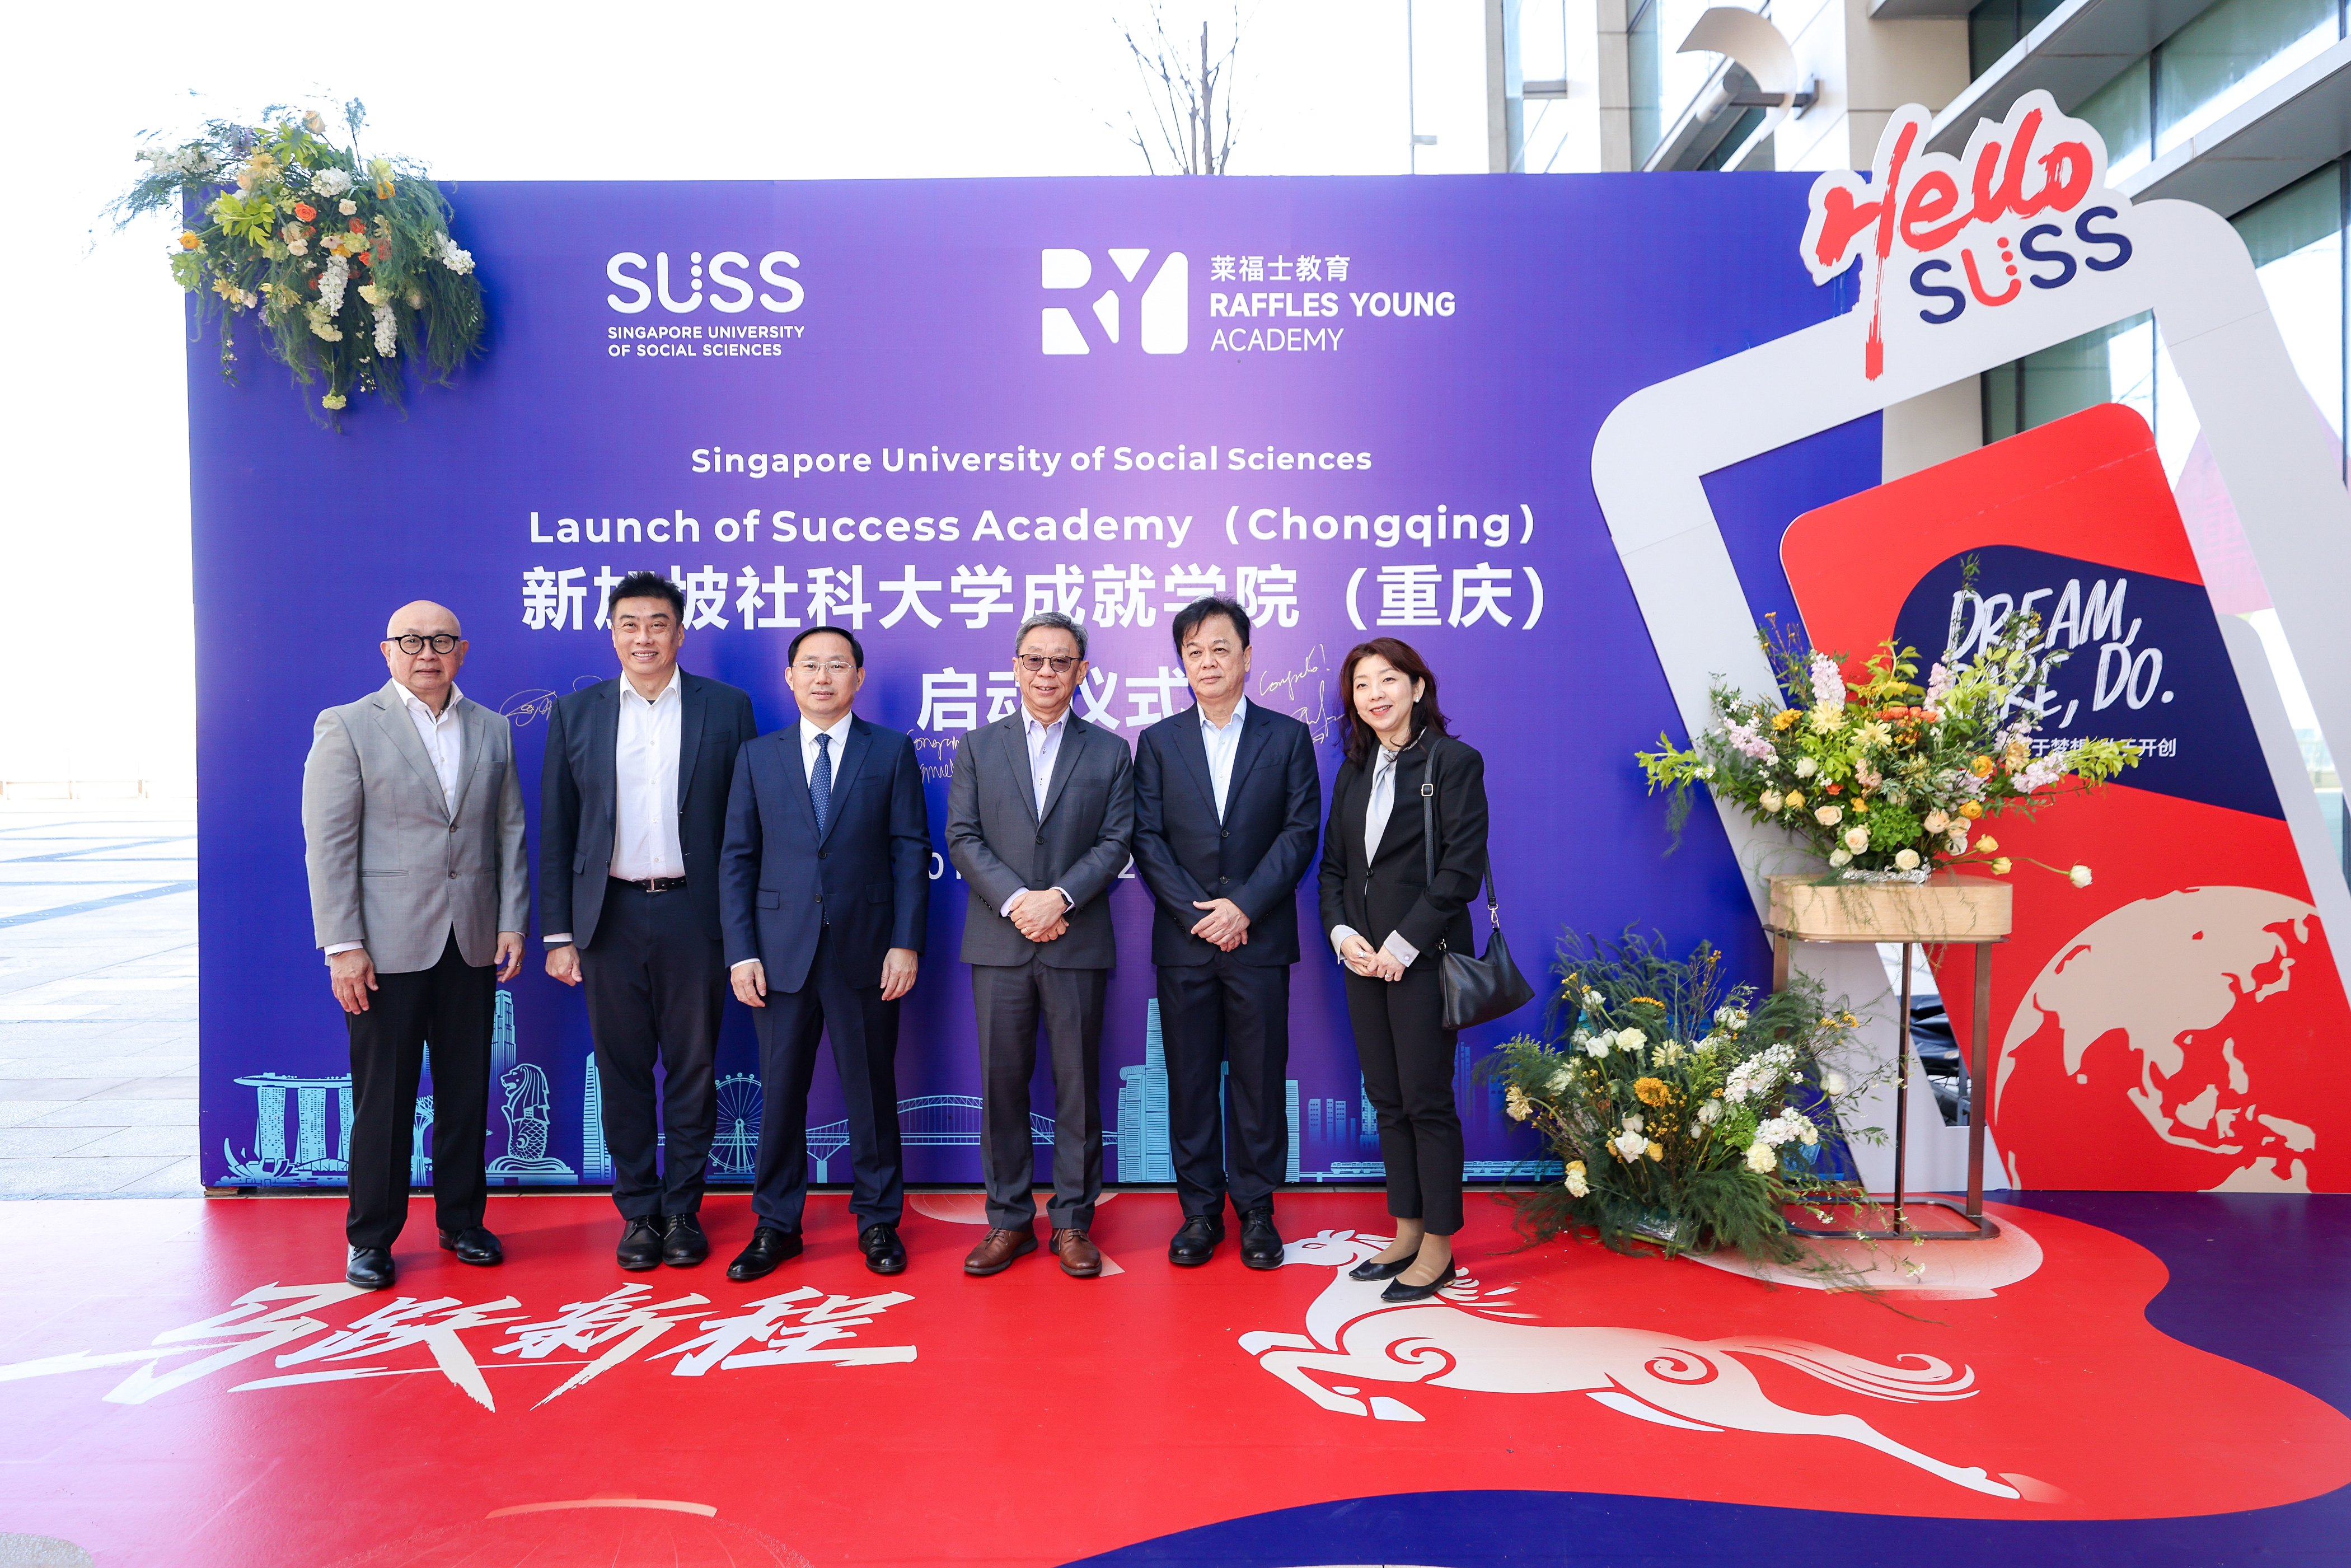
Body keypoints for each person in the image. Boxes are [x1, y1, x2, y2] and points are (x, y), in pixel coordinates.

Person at [302, 601, 527, 1291]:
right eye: (411, 640)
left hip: (471, 940)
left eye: (440, 640)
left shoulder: (491, 726)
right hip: (384, 949)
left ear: (462, 650)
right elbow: (330, 842)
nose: (426, 651)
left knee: (465, 1093)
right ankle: (370, 1237)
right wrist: (344, 944)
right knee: (386, 1100)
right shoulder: (347, 726)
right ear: (387, 650)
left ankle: (462, 1221)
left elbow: (509, 831)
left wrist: (512, 920)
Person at [538, 572, 757, 1271]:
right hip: (610, 912)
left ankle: (683, 1208)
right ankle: (638, 1211)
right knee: (622, 1067)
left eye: (657, 623)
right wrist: (558, 932)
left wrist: (741, 924)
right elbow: (558, 828)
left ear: (680, 631)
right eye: (629, 623)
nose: (644, 636)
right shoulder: (579, 713)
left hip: (699, 912)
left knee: (694, 1066)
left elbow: (745, 825)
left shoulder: (728, 708)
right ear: (612, 632)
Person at [719, 625, 930, 1279]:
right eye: (810, 665)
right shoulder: (759, 756)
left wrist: (905, 942)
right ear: (790, 677)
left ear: (858, 677)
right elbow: (737, 859)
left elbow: (909, 852)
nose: (822, 677)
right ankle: (777, 1224)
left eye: (836, 665)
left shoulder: (891, 751)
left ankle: (877, 1221)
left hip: (866, 951)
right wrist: (741, 951)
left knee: (870, 1091)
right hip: (778, 955)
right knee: (781, 1093)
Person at [1131, 596, 1321, 1269]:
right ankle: (1201, 1213)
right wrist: (1201, 913)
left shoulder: (1288, 737)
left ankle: (1260, 1210)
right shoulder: (1157, 741)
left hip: (1260, 938)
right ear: (1182, 661)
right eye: (1193, 651)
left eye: (1219, 648)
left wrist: (1242, 908)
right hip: (1184, 943)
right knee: (1187, 1079)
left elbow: (1300, 834)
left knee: (1260, 1078)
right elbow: (1147, 839)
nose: (1206, 661)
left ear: (1246, 655)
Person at [947, 611, 1134, 1279]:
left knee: (1077, 1087)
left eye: (1061, 661)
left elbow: (1116, 841)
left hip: (1076, 937)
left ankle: (1075, 1222)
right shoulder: (978, 745)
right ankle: (1008, 1222)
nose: (1047, 672)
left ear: (1082, 672)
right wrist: (1019, 901)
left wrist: (1059, 898)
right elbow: (964, 837)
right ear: (1016, 666)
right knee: (1001, 1086)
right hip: (999, 941)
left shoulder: (1111, 751)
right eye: (1034, 660)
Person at [1316, 638, 1489, 1303]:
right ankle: (1407, 1229)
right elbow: (1334, 868)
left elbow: (1460, 871)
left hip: (1423, 959)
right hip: (1362, 961)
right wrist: (1342, 934)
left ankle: (1441, 1246)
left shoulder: (1453, 762)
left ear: (1418, 687)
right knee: (1387, 1097)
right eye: (1362, 685)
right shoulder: (1353, 771)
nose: (1376, 694)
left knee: (1426, 1099)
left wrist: (1402, 944)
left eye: (1389, 679)